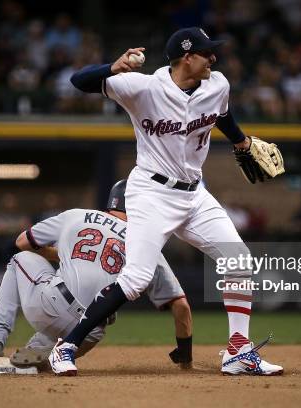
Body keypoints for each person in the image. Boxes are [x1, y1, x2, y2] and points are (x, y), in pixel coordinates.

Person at [49, 27, 283, 376]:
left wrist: (241, 142)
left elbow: (221, 114)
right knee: (136, 280)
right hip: (151, 194)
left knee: (238, 259)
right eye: (207, 53)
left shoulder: (217, 84)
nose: (214, 59)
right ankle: (66, 346)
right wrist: (113, 68)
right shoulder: (142, 87)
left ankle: (237, 351)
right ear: (187, 57)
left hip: (194, 194)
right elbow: (78, 81)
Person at [0, 180, 193, 371]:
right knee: (84, 305)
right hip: (87, 335)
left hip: (52, 307)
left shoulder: (77, 216)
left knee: (18, 260)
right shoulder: (147, 243)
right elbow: (181, 307)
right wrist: (185, 358)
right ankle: (44, 347)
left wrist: (64, 254)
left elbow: (22, 242)